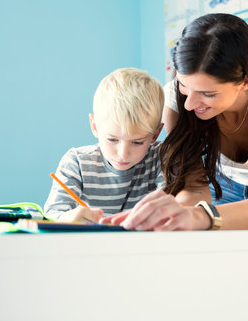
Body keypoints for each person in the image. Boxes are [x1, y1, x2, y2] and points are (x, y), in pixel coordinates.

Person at [102, 13, 248, 231]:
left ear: (245, 82)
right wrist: (170, 215)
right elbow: (195, 188)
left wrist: (196, 215)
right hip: (222, 188)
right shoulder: (176, 101)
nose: (189, 104)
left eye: (207, 93)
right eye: (184, 86)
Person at [44, 67, 165, 223]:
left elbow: (172, 208)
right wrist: (68, 217)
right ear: (94, 126)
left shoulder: (162, 157)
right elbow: (52, 214)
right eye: (112, 139)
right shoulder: (77, 162)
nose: (123, 153)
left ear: (155, 134)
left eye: (137, 142)